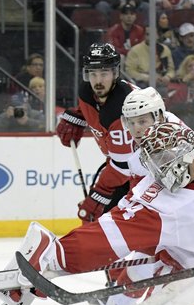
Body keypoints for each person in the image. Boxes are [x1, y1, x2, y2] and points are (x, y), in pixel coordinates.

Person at [0, 117, 194, 305]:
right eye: (155, 162)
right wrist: (55, 257)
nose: (162, 169)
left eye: (166, 157)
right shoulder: (157, 204)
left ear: (189, 149)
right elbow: (106, 235)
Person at [56, 43, 138, 223]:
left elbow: (122, 167)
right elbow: (94, 108)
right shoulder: (88, 92)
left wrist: (99, 194)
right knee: (98, 221)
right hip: (126, 168)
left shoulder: (123, 107)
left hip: (149, 174)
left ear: (115, 73)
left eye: (104, 73)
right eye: (93, 74)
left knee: (125, 222)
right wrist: (77, 116)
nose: (98, 80)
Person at [124, 26, 175, 91]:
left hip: (161, 82)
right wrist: (148, 78)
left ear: (158, 35)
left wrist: (168, 77)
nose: (150, 37)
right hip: (141, 83)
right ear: (144, 36)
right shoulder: (135, 50)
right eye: (148, 34)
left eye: (153, 34)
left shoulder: (165, 49)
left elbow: (171, 69)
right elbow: (130, 71)